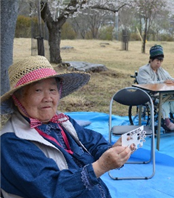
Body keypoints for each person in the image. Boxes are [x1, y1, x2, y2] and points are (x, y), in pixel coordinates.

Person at [0, 56, 135, 198]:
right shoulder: (13, 141)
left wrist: (111, 151)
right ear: (17, 99)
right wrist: (101, 166)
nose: (48, 98)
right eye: (38, 90)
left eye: (52, 89)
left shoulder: (61, 121)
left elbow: (91, 140)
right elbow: (51, 188)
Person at [136, 45, 174, 131]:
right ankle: (167, 121)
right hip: (149, 95)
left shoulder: (161, 70)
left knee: (170, 98)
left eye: (161, 61)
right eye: (157, 60)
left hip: (161, 95)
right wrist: (163, 82)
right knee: (164, 98)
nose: (159, 63)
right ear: (151, 60)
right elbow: (147, 84)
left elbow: (169, 78)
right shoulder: (143, 70)